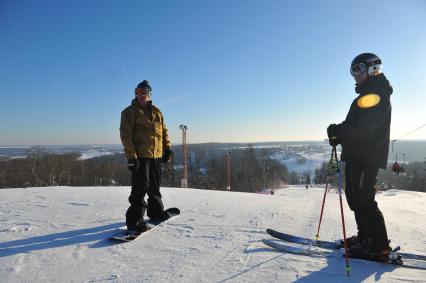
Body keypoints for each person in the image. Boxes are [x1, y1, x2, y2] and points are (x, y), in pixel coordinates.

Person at [327, 53, 393, 260]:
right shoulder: (368, 95)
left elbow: (364, 127)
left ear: (373, 69)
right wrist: (339, 135)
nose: (354, 75)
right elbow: (358, 128)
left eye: (358, 69)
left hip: (367, 157)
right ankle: (366, 237)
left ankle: (378, 246)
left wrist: (338, 131)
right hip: (358, 155)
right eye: (352, 71)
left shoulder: (377, 95)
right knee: (355, 198)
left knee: (364, 200)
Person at [120, 80, 173, 233]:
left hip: (156, 155)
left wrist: (167, 149)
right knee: (140, 187)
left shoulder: (157, 112)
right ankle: (134, 221)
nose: (139, 95)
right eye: (137, 92)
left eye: (143, 92)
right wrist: (132, 157)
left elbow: (164, 132)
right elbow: (126, 135)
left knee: (154, 186)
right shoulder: (129, 112)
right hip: (140, 156)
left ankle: (155, 211)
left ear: (149, 94)